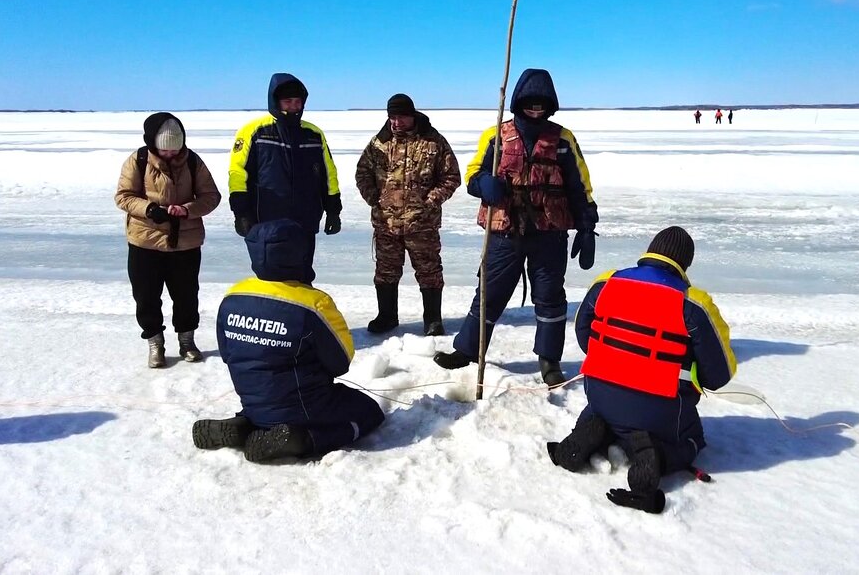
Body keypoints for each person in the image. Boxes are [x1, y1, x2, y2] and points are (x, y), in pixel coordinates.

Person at [547, 226, 736, 514]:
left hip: (600, 394)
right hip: (658, 410)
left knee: (605, 410)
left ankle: (586, 436)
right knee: (693, 437)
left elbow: (583, 333)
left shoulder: (606, 282)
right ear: (685, 263)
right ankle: (656, 456)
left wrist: (615, 357)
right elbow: (719, 374)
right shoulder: (693, 302)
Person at [432, 68, 598, 387]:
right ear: (518, 103)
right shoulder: (496, 134)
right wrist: (484, 184)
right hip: (504, 232)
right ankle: (467, 350)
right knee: (489, 294)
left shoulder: (563, 139)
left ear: (550, 106)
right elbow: (472, 175)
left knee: (550, 296)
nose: (535, 112)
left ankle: (549, 360)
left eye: (541, 106)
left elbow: (580, 186)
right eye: (529, 105)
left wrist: (587, 226)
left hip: (549, 233)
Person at [192, 219, 385, 463]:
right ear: (299, 253)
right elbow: (340, 361)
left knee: (268, 402)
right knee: (369, 413)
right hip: (305, 406)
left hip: (253, 401)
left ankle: (245, 425)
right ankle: (304, 439)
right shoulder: (313, 303)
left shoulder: (233, 296)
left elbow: (228, 354)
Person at [115, 112, 222, 368]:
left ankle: (187, 341)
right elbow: (123, 196)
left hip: (185, 242)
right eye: (165, 151)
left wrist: (187, 210)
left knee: (186, 296)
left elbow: (211, 196)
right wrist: (150, 209)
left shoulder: (193, 162)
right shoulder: (138, 160)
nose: (171, 155)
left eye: (176, 150)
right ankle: (155, 343)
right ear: (153, 144)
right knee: (146, 296)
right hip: (145, 242)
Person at [355, 93, 461, 336]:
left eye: (401, 117)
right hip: (386, 223)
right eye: (392, 117)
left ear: (412, 116)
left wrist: (430, 202)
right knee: (386, 271)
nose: (396, 122)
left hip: (422, 224)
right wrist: (375, 198)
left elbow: (451, 177)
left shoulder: (433, 142)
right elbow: (362, 173)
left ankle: (432, 319)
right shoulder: (378, 143)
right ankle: (387, 316)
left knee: (429, 271)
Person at [228, 73, 341, 284]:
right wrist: (241, 211)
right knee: (270, 274)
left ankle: (301, 315)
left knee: (303, 273)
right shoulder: (255, 131)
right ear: (276, 101)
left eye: (297, 102)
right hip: (267, 220)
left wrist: (333, 209)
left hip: (304, 219)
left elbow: (328, 173)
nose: (293, 107)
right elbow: (238, 173)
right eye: (288, 102)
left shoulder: (313, 134)